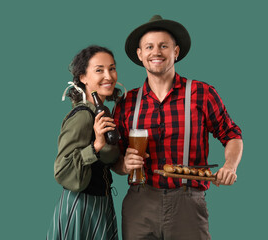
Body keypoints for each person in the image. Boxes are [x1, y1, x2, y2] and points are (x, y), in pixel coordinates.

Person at [112, 15, 243, 240]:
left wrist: (230, 166)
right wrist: (123, 165)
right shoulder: (126, 102)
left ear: (176, 52)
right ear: (140, 54)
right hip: (139, 203)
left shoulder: (201, 93)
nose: (157, 52)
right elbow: (114, 156)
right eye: (149, 47)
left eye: (164, 46)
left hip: (188, 203)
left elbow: (231, 134)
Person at [47, 45, 122, 240]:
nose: (108, 75)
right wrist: (96, 145)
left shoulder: (103, 112)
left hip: (101, 205)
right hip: (81, 206)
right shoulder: (82, 116)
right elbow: (61, 170)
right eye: (99, 70)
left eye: (112, 68)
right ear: (83, 77)